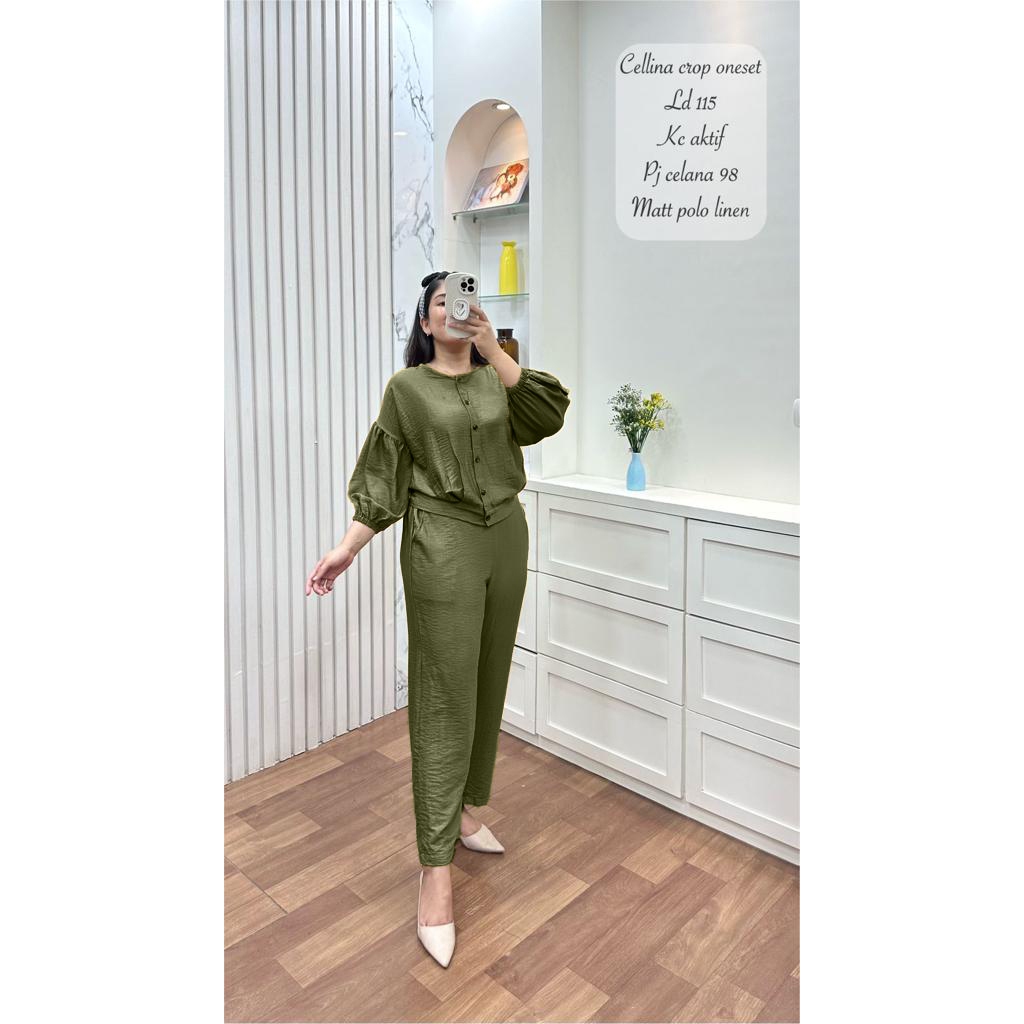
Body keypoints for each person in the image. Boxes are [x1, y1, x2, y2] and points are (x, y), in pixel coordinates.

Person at [304, 270, 571, 967]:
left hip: (506, 535)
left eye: (465, 301)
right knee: (444, 693)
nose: (455, 311)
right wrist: (347, 547)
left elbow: (547, 414)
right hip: (442, 541)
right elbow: (384, 476)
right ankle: (434, 868)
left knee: (487, 679)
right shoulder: (408, 390)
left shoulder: (496, 378)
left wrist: (495, 348)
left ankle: (468, 812)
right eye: (442, 304)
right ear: (425, 321)